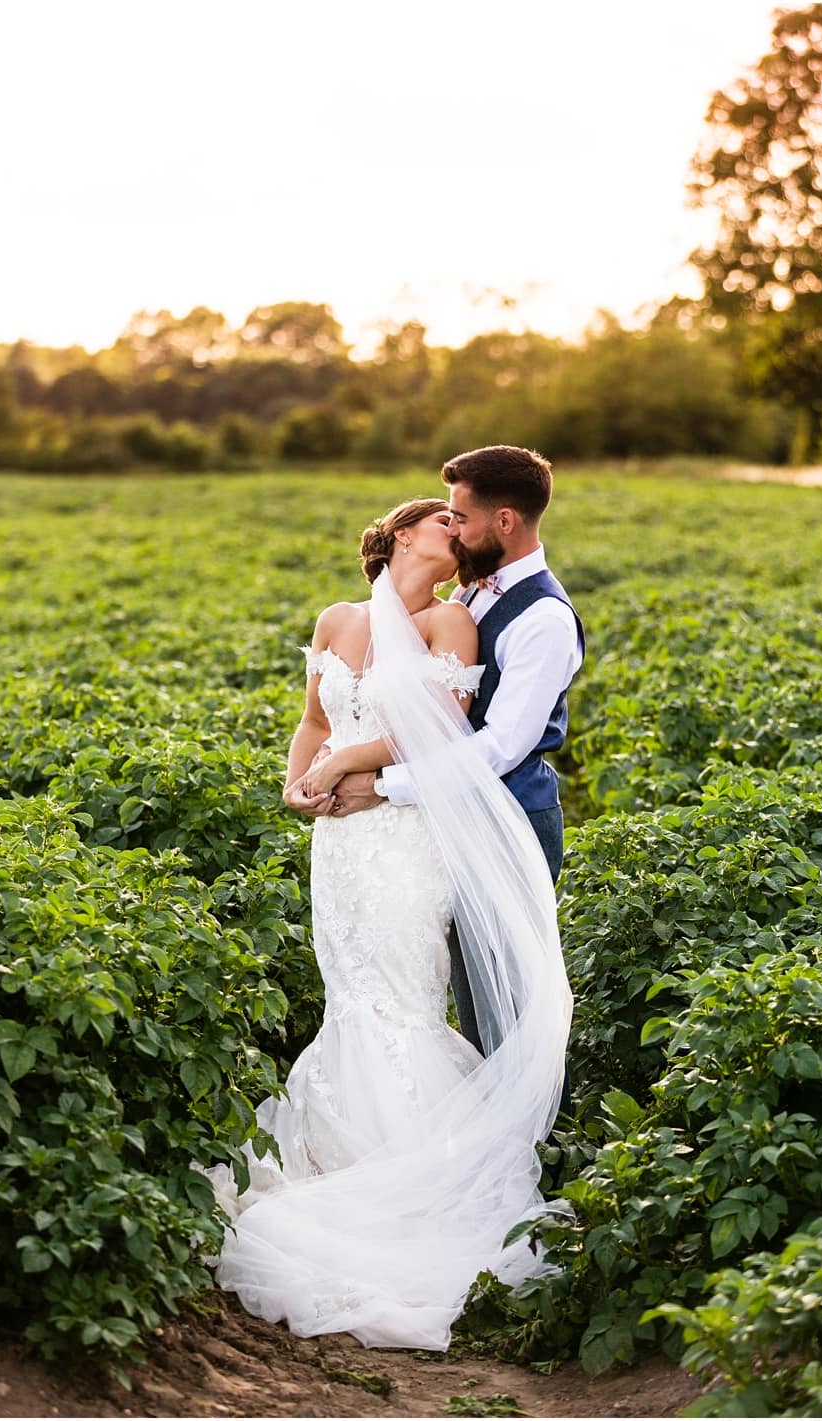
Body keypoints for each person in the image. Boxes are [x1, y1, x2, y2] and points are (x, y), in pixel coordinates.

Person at [204, 492, 573, 1352]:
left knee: (404, 995)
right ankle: (343, 1151)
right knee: (350, 990)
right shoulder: (336, 617)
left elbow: (433, 733)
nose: (458, 527)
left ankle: (423, 1175)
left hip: (406, 836)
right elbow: (312, 718)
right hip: (338, 842)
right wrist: (299, 782)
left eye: (464, 517)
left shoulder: (456, 626)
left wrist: (344, 762)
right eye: (442, 519)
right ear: (404, 533)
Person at [321, 446, 584, 1101]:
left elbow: (498, 747)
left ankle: (524, 1157)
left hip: (510, 817)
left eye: (461, 516)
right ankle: (471, 1132)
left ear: (503, 521)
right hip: (444, 817)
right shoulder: (467, 591)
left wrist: (380, 785)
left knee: (511, 1004)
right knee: (461, 987)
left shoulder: (545, 619)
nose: (454, 528)